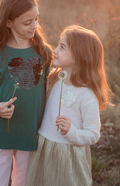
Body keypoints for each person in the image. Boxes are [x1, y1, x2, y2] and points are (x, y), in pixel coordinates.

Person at [0, 0, 52, 186]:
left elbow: (49, 92)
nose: (35, 26)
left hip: (30, 136)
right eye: (28, 22)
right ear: (8, 22)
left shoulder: (43, 53)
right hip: (0, 135)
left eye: (37, 19)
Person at [26, 25, 112, 186]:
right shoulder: (52, 79)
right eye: (58, 44)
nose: (55, 50)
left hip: (67, 156)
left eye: (62, 47)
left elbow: (93, 134)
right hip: (44, 148)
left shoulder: (87, 96)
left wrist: (71, 131)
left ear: (79, 56)